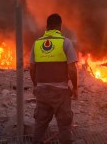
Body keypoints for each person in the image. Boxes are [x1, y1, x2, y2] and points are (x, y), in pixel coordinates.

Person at [29, 13, 78, 144]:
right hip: (60, 92)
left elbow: (32, 68)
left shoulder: (37, 44)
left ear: (47, 27)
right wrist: (75, 88)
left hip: (42, 91)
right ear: (60, 27)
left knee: (40, 125)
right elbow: (72, 69)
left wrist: (36, 85)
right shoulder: (65, 42)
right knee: (64, 125)